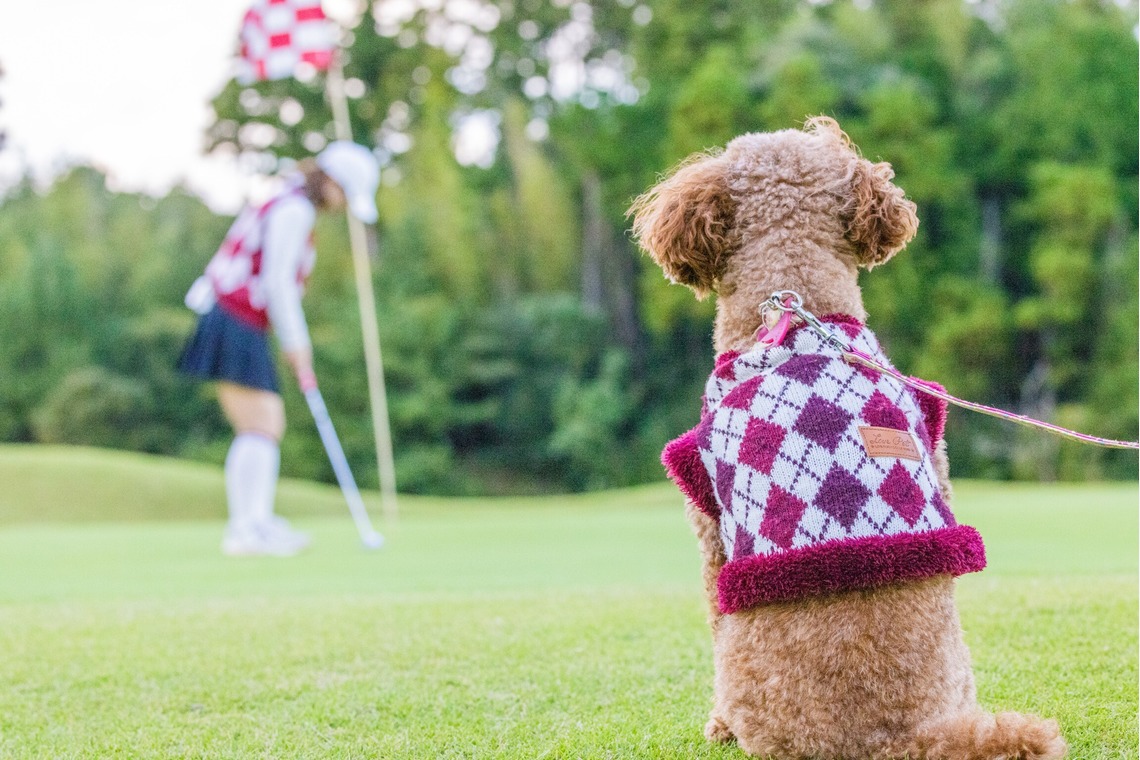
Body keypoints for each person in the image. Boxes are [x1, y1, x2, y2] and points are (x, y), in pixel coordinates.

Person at [178, 141, 380, 557]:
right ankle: (246, 529)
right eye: (345, 194)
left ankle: (256, 521)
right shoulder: (294, 210)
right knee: (261, 424)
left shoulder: (285, 199)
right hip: (233, 318)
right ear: (332, 182)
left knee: (265, 424)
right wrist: (297, 343)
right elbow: (277, 283)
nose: (343, 205)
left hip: (235, 318)